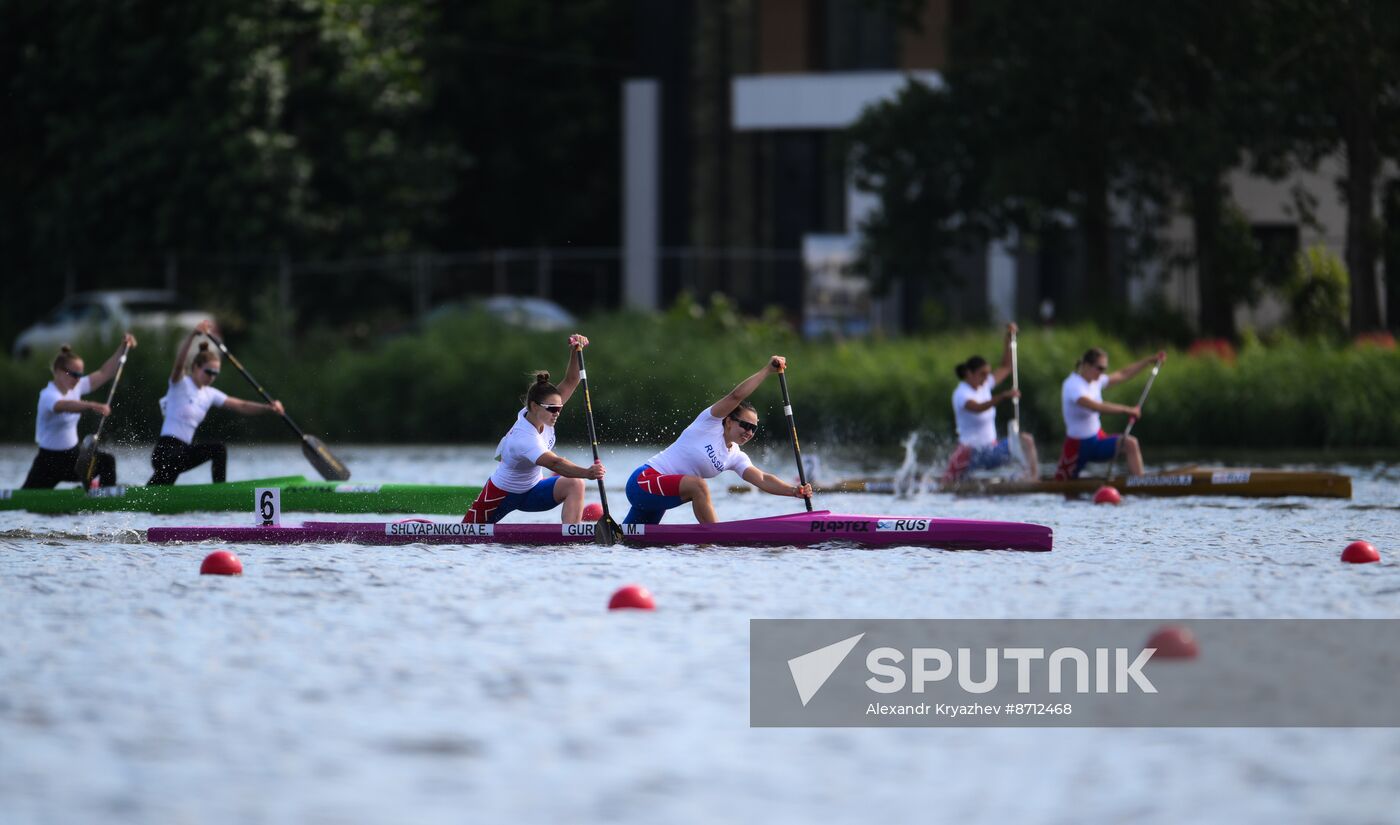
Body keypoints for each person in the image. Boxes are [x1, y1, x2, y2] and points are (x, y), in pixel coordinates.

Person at [622, 356, 813, 525]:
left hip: (661, 495)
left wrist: (794, 490)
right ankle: (714, 537)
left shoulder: (735, 456)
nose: (749, 432)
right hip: (643, 482)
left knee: (628, 539)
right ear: (729, 421)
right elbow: (736, 396)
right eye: (745, 425)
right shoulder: (709, 423)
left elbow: (762, 479)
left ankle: (602, 534)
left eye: (753, 428)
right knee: (699, 486)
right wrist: (767, 371)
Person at [463, 334, 605, 524]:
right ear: (535, 406)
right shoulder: (524, 438)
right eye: (553, 409)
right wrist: (587, 472)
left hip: (533, 491)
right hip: (501, 494)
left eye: (560, 408)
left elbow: (571, 380)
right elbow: (555, 464)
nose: (557, 413)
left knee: (575, 484)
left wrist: (574, 351)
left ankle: (570, 538)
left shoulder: (540, 412)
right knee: (465, 533)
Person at [148, 320, 285, 485]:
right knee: (218, 448)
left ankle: (126, 496)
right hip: (165, 452)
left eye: (216, 373)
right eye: (209, 371)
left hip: (182, 453)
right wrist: (192, 335)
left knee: (158, 490)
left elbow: (241, 405)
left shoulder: (210, 394)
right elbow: (178, 365)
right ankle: (220, 492)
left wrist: (268, 407)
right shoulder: (180, 384)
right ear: (196, 367)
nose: (212, 376)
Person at [22, 335, 138, 489]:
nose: (77, 379)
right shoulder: (48, 395)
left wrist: (123, 347)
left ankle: (103, 499)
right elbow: (63, 405)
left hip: (73, 458)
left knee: (107, 461)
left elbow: (105, 373)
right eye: (74, 374)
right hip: (48, 462)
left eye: (80, 375)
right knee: (25, 499)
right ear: (58, 371)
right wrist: (91, 405)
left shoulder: (76, 386)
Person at [942, 323, 1039, 482]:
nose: (987, 378)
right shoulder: (961, 394)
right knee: (947, 485)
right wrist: (1003, 396)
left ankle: (1033, 479)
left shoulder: (984, 385)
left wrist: (1008, 338)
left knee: (1026, 440)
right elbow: (978, 408)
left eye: (988, 374)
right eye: (982, 374)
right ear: (969, 374)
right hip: (970, 454)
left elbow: (1007, 367)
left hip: (990, 450)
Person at [1054, 346, 1166, 480]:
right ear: (1086, 365)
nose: (1101, 373)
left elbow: (1123, 374)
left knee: (1130, 444)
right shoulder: (1072, 385)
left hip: (1096, 440)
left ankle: (1140, 482)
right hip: (1077, 447)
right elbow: (1095, 406)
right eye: (1099, 368)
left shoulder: (1096, 380)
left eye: (1104, 370)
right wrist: (1126, 409)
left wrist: (1148, 361)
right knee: (1061, 482)